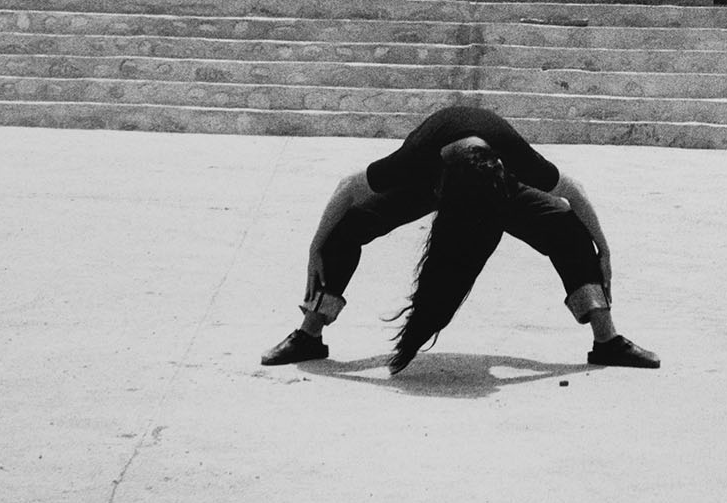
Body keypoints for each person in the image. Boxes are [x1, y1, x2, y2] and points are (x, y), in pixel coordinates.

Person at [260, 105, 661, 373]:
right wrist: (316, 246)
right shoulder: (418, 157)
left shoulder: (510, 155)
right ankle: (310, 333)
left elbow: (572, 191)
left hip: (495, 188)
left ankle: (606, 339)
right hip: (431, 182)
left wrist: (604, 250)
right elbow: (349, 187)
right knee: (344, 227)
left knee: (569, 229)